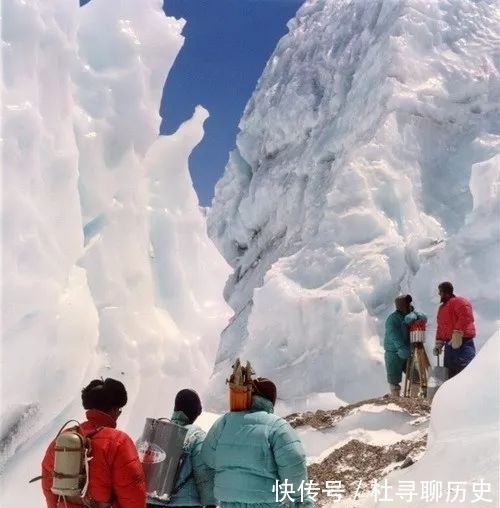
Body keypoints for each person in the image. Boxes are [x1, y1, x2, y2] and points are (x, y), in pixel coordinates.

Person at [201, 377, 314, 508]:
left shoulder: (224, 422)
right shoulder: (277, 426)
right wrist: (301, 500)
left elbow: (208, 457)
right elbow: (294, 462)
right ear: (271, 401)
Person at [41, 378, 146, 508]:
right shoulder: (118, 442)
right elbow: (132, 495)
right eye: (119, 410)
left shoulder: (64, 438)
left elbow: (48, 484)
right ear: (114, 410)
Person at [146, 389, 216, 508]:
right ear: (195, 412)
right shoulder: (197, 436)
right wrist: (210, 503)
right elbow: (204, 475)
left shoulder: (154, 431)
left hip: (150, 502)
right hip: (184, 504)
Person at [384, 294, 427, 397]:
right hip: (394, 352)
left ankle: (413, 397)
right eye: (408, 303)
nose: (410, 305)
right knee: (394, 377)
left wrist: (417, 314)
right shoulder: (392, 319)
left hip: (408, 351)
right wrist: (400, 347)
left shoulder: (410, 314)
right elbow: (393, 334)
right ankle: (395, 398)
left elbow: (424, 318)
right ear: (402, 305)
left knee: (415, 375)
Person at [433, 281, 476, 378]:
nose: (439, 294)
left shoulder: (459, 301)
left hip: (463, 343)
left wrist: (457, 332)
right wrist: (439, 343)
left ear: (446, 292)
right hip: (449, 345)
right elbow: (440, 326)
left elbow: (465, 316)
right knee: (449, 373)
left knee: (465, 371)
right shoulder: (442, 308)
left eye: (440, 291)